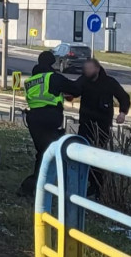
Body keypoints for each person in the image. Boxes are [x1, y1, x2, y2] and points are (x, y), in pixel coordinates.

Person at [17, 50, 81, 196]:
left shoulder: (31, 80)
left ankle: (37, 188)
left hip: (33, 120)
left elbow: (45, 94)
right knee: (51, 154)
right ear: (52, 63)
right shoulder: (53, 78)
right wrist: (84, 78)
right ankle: (33, 187)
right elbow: (75, 89)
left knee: (43, 153)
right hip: (50, 119)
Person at [68, 58, 130, 198]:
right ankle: (88, 183)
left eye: (90, 69)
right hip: (85, 124)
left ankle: (98, 187)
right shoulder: (84, 80)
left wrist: (122, 113)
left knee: (97, 155)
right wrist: (69, 96)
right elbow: (74, 90)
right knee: (83, 155)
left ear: (97, 69)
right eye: (86, 69)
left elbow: (123, 97)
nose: (87, 71)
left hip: (102, 125)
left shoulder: (109, 82)